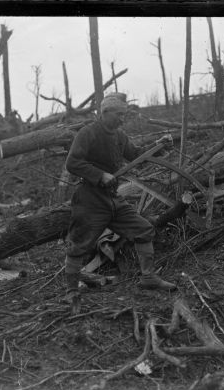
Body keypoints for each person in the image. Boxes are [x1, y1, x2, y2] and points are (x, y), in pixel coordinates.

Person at [63, 92, 176, 311]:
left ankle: (148, 278)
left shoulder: (119, 135)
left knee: (143, 229)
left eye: (124, 114)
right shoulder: (88, 133)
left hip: (113, 198)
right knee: (78, 243)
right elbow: (73, 163)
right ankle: (71, 291)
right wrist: (99, 174)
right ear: (104, 112)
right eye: (119, 114)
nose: (122, 119)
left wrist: (159, 146)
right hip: (90, 199)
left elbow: (136, 155)